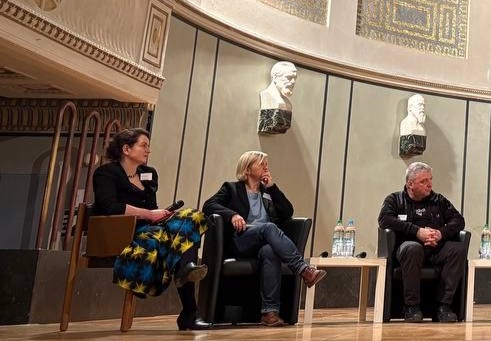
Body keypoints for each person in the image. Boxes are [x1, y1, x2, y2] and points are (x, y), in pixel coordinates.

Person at [92, 128, 209, 331]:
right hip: (123, 231)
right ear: (126, 149)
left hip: (152, 226)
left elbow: (152, 207)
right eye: (143, 145)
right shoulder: (106, 173)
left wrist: (162, 214)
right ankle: (189, 309)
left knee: (194, 216)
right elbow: (109, 207)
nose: (148, 150)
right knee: (178, 246)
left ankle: (185, 273)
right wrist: (149, 214)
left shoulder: (149, 174)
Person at [202, 151, 326, 327]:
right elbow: (208, 205)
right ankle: (303, 270)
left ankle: (269, 313)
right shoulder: (231, 188)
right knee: (269, 227)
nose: (266, 167)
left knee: (270, 251)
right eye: (261, 164)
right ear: (247, 169)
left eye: (267, 164)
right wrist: (232, 215)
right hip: (241, 240)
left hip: (264, 242)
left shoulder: (267, 192)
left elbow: (287, 212)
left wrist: (273, 188)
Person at [377, 162, 467, 323]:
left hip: (435, 249)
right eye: (424, 181)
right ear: (410, 183)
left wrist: (440, 233)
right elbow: (384, 220)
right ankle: (411, 307)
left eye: (430, 180)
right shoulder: (395, 200)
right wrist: (417, 232)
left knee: (457, 249)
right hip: (407, 250)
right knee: (413, 248)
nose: (430, 184)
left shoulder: (438, 200)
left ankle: (443, 307)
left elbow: (458, 220)